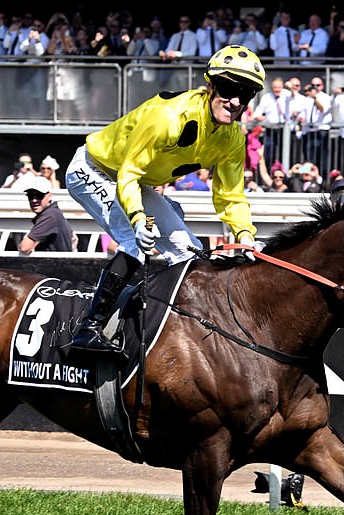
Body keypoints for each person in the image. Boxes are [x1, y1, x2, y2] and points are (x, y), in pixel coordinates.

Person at [65, 44, 265, 355]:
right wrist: (136, 218)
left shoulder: (233, 139)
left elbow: (230, 195)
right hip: (94, 170)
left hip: (137, 182)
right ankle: (89, 329)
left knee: (190, 252)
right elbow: (128, 175)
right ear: (211, 84)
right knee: (136, 242)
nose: (235, 101)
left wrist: (245, 235)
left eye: (246, 94)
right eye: (228, 89)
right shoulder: (169, 117)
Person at [18, 175, 75, 254]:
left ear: (49, 196)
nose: (34, 200)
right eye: (30, 196)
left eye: (39, 196)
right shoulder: (54, 213)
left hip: (53, 265)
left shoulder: (49, 216)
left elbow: (25, 248)